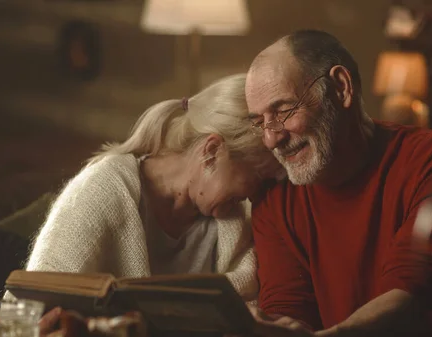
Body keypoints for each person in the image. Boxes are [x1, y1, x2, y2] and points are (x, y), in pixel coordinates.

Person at [245, 30, 432, 337]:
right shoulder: (275, 197)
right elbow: (287, 311)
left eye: (283, 110)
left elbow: (407, 292)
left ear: (341, 88)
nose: (271, 138)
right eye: (260, 121)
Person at [16, 74, 281, 336]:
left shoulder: (235, 218)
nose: (255, 192)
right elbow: (33, 305)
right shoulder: (104, 189)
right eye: (256, 175)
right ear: (211, 151)